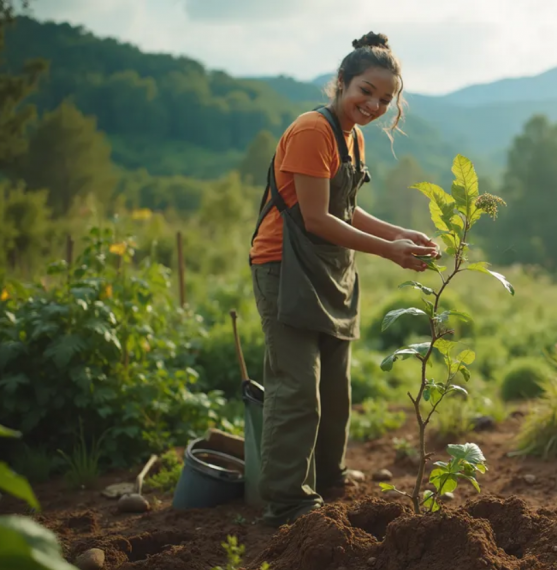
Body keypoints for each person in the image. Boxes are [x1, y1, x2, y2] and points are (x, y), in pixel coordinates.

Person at [247, 31, 438, 527]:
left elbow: (346, 208)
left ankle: (328, 477)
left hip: (329, 268)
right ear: (342, 82)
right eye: (366, 91)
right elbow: (315, 219)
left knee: (335, 387)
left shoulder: (349, 135)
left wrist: (402, 233)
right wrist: (390, 253)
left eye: (385, 99)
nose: (373, 105)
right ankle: (288, 503)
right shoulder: (313, 130)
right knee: (297, 390)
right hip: (285, 267)